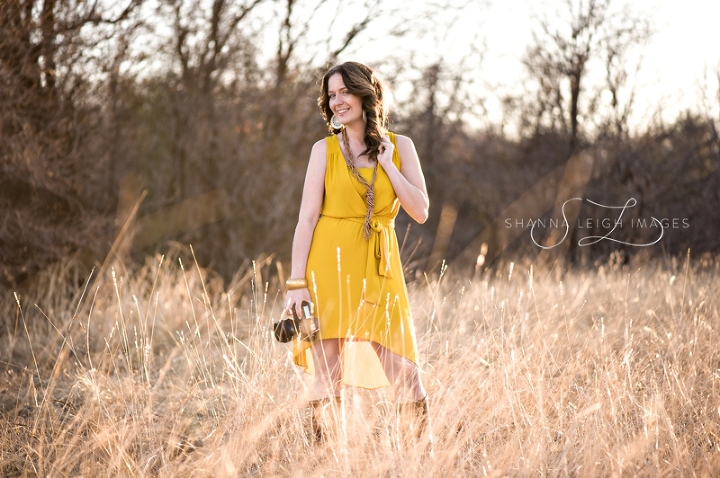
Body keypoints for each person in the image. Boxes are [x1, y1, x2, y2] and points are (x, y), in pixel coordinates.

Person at [282, 61, 430, 443]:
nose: (337, 102)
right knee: (326, 370)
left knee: (404, 370)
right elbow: (306, 219)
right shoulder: (324, 150)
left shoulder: (401, 147)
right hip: (326, 265)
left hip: (379, 268)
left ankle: (422, 462)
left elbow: (421, 211)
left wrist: (387, 166)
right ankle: (324, 463)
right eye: (331, 95)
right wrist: (296, 283)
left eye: (344, 92)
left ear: (365, 94)